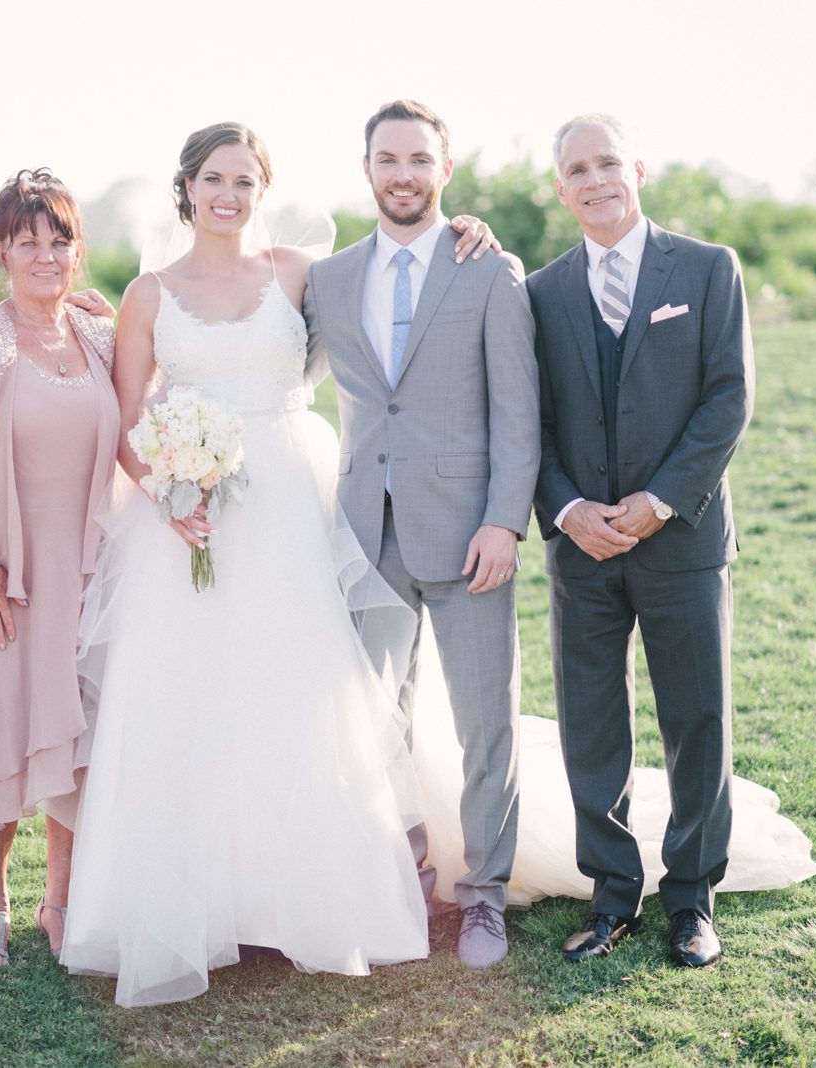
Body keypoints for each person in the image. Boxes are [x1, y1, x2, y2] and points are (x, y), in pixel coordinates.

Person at [58, 122, 501, 1007]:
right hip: (189, 522)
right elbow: (124, 423)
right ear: (185, 189)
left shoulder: (301, 274)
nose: (229, 195)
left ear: (266, 189)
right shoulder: (148, 295)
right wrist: (167, 496)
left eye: (245, 180)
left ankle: (300, 897)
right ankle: (201, 904)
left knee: (299, 693)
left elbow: (393, 266)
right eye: (213, 179)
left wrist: (467, 231)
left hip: (293, 506)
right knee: (189, 702)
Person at [302, 100, 539, 971]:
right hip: (367, 530)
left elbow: (519, 411)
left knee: (485, 723)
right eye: (387, 159)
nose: (402, 174)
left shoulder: (490, 269)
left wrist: (505, 521)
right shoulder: (329, 280)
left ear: (445, 169)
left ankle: (482, 899)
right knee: (372, 722)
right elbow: (266, 362)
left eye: (418, 160)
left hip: (472, 532)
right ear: (366, 168)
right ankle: (399, 878)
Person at [526, 113, 757, 968]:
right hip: (581, 547)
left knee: (697, 719)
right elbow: (530, 422)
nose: (595, 180)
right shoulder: (541, 292)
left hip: (682, 537)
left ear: (639, 170)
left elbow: (728, 398)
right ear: (560, 188)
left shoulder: (704, 268)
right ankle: (612, 894)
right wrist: (567, 509)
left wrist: (658, 503)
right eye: (577, 169)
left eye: (608, 163)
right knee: (592, 725)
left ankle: (692, 898)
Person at [0, 170, 119, 966]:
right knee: (3, 730)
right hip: (7, 578)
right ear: (2, 249)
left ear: (77, 250)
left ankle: (60, 902)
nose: (46, 254)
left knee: (77, 735)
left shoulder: (99, 335)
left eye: (60, 239)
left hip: (90, 573)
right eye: (28, 240)